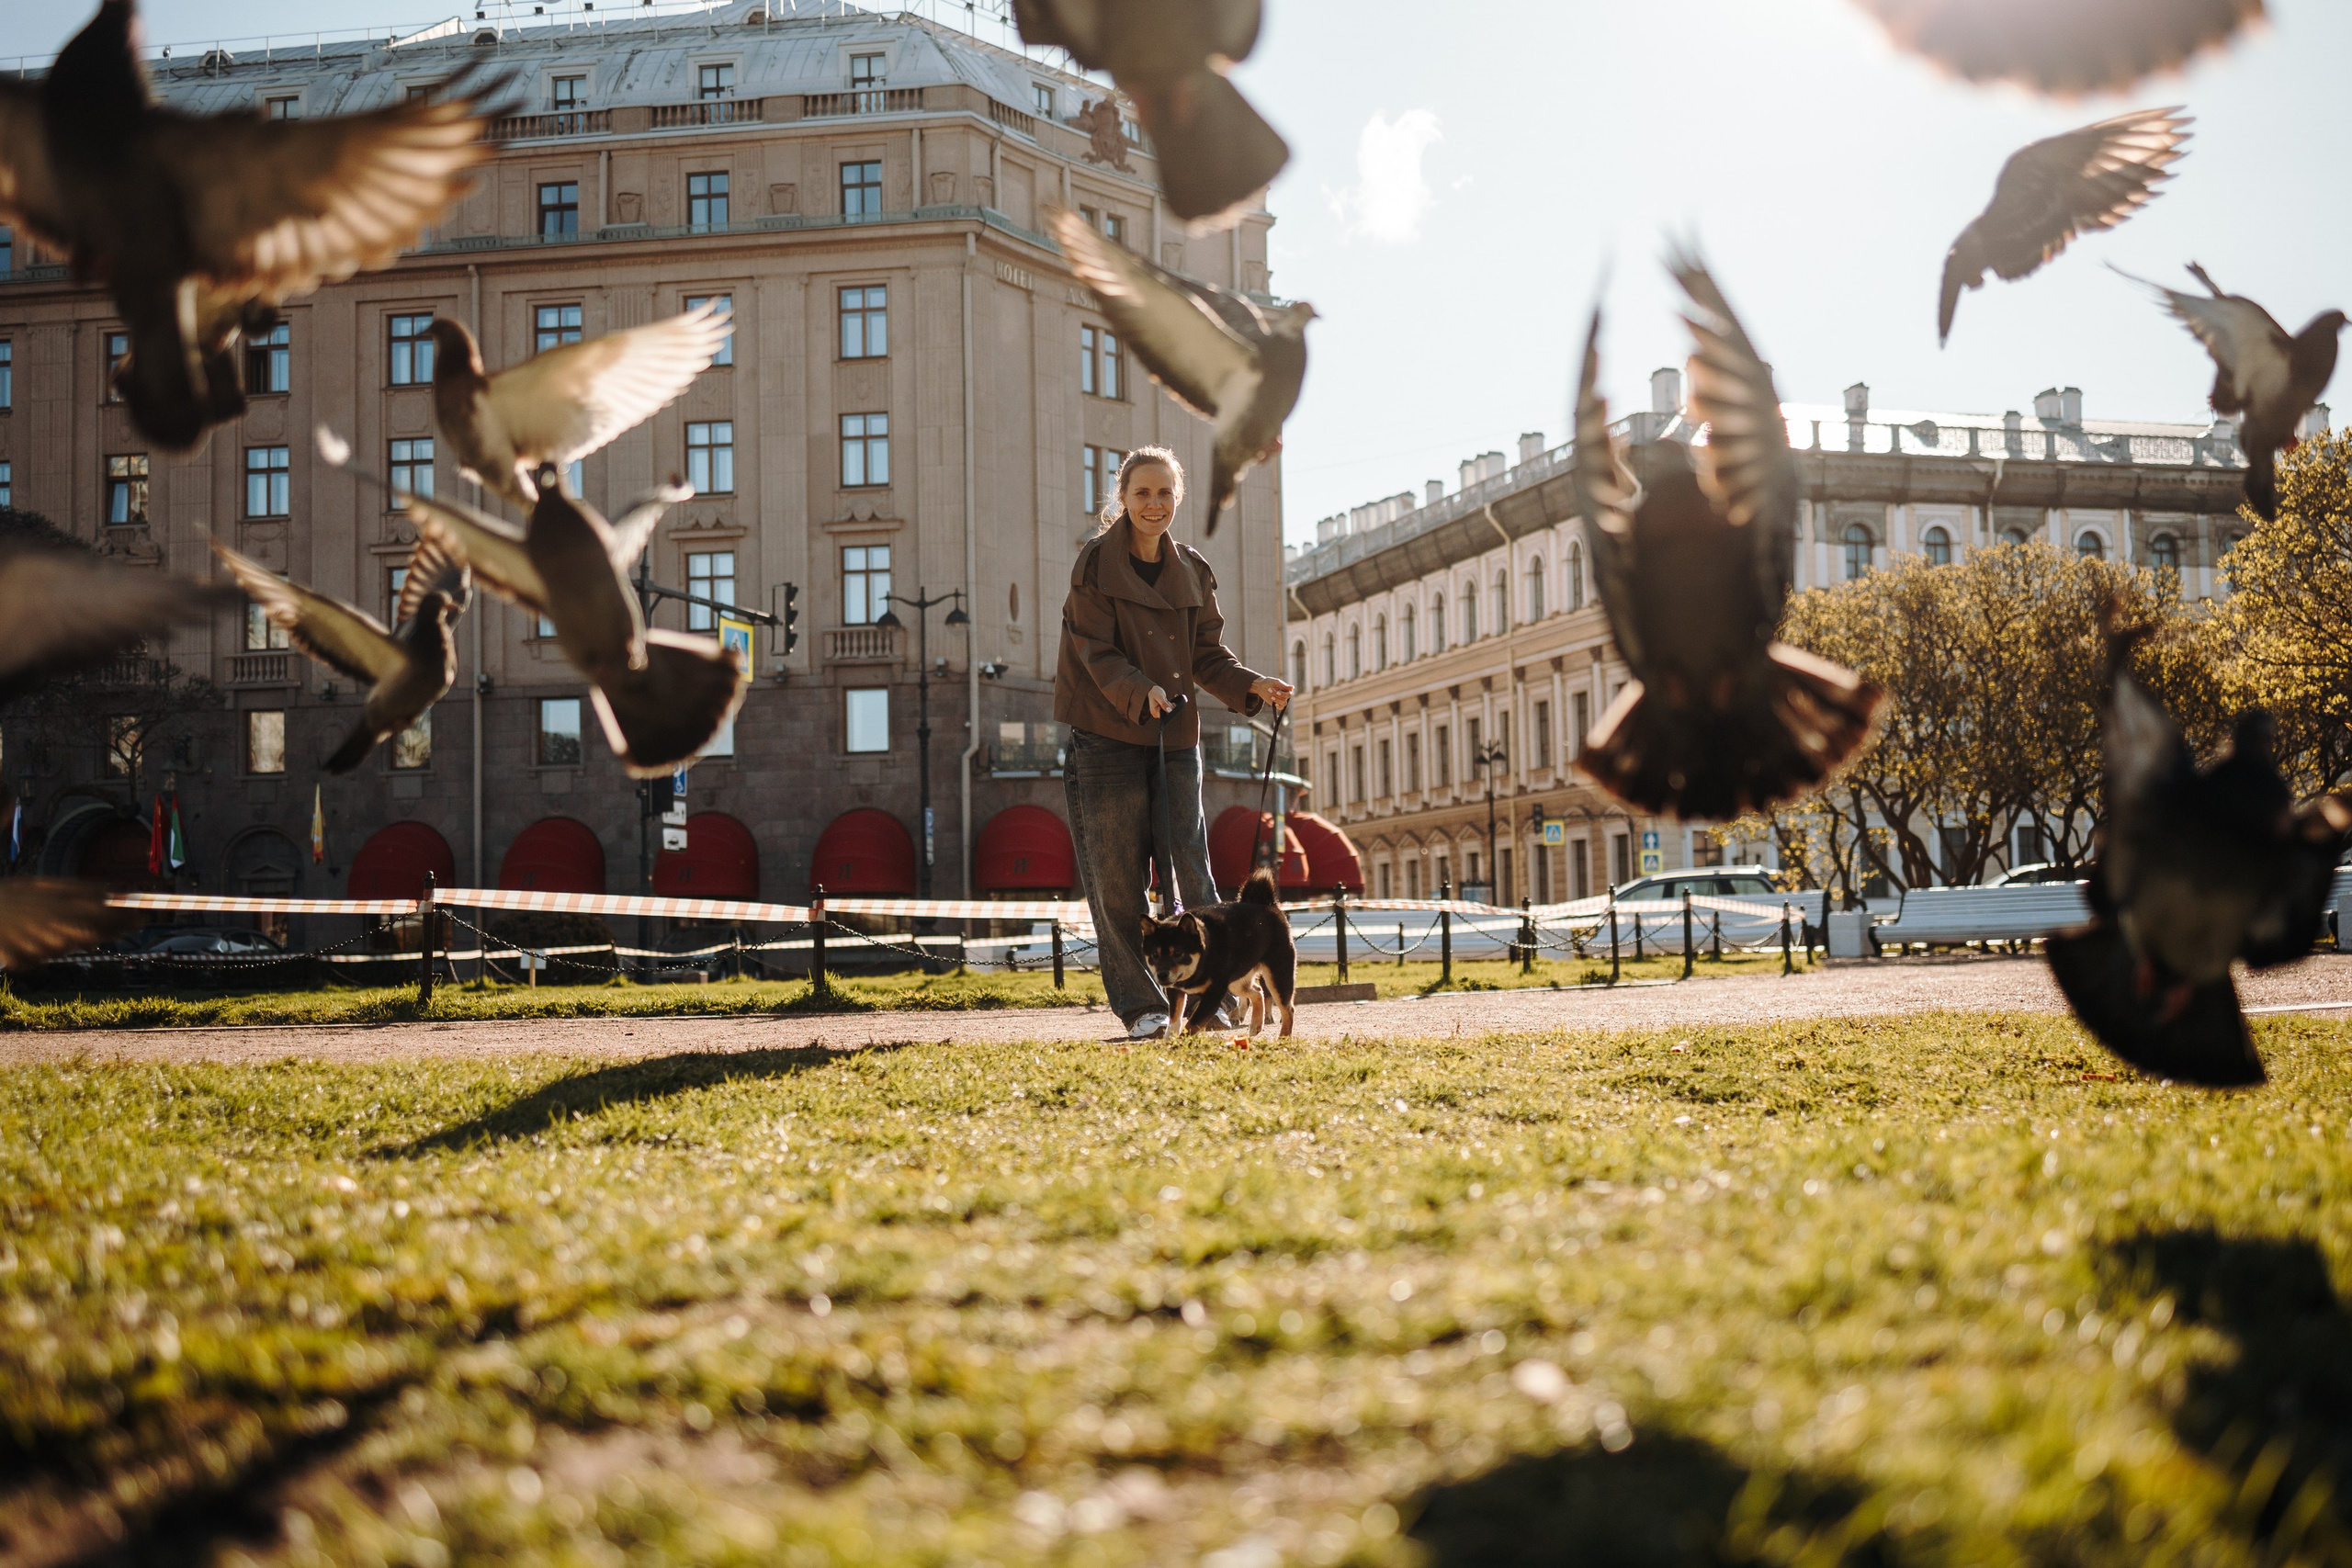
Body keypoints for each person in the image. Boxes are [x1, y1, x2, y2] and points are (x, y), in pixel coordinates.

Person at [1055, 446, 1293, 1038]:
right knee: (1117, 879)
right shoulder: (1094, 565)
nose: (1154, 504)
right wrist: (1143, 691)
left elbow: (1208, 655)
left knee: (1192, 867)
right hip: (1106, 738)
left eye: (1165, 493)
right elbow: (1094, 650)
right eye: (1142, 493)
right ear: (1122, 497)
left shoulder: (1194, 568)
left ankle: (1212, 998)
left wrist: (1253, 685)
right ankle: (1141, 1007)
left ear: (1177, 498)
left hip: (1176, 737)